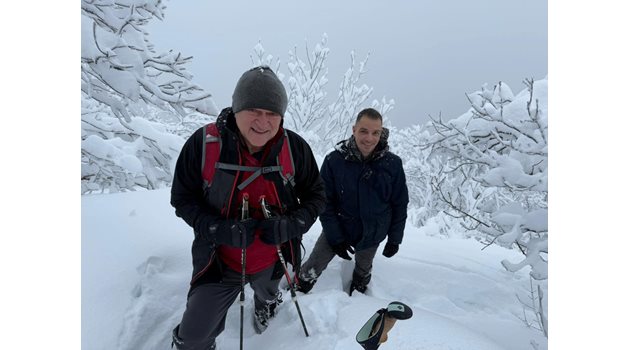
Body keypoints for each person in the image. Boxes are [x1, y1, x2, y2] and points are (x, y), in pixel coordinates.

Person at [170, 66, 326, 350]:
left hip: (274, 259)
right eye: (254, 110)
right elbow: (182, 198)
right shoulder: (204, 145)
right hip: (218, 263)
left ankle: (264, 302)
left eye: (272, 113)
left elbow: (317, 196)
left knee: (267, 293)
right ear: (236, 108)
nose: (263, 121)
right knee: (193, 336)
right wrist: (216, 228)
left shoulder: (295, 149)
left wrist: (292, 224)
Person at [296, 108, 409, 296]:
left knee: (363, 269)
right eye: (364, 131)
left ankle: (358, 293)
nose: (369, 138)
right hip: (338, 227)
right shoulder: (334, 160)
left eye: (375, 133)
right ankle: (299, 289)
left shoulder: (393, 164)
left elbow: (399, 203)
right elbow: (325, 202)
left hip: (372, 233)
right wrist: (336, 237)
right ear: (354, 129)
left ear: (381, 133)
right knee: (313, 266)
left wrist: (395, 239)